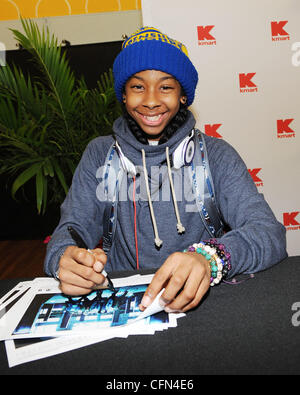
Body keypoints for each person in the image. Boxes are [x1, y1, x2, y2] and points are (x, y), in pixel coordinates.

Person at [44, 27, 287, 314]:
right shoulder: (99, 154)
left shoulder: (216, 155)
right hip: (122, 305)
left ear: (183, 95)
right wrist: (64, 260)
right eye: (137, 86)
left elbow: (268, 233)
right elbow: (71, 229)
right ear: (123, 94)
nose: (150, 100)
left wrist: (208, 260)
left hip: (201, 303)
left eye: (166, 87)